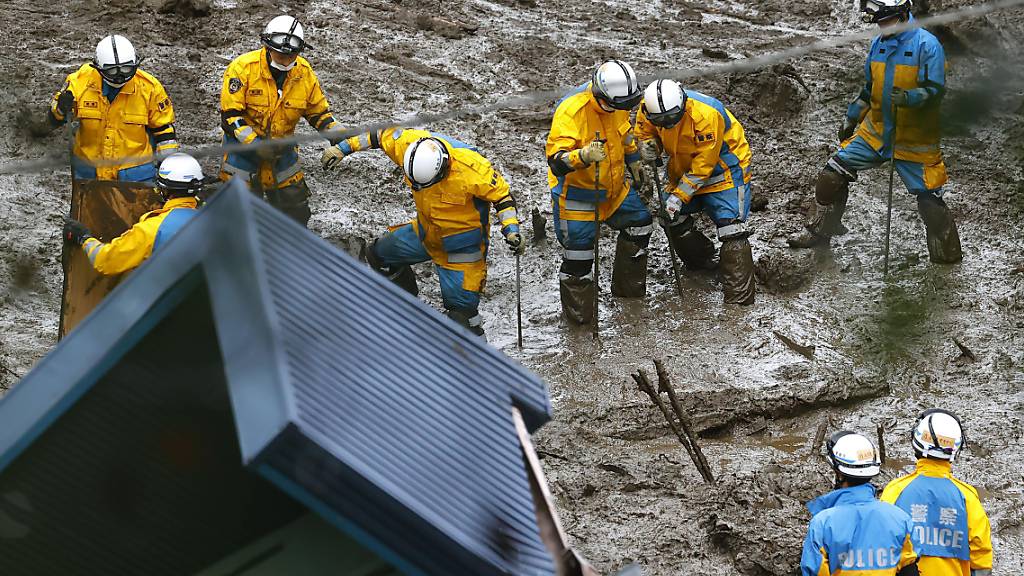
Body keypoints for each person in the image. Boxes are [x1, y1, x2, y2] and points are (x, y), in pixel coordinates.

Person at [788, 0, 961, 264]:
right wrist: (851, 117)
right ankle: (820, 231)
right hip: (876, 131)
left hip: (915, 137)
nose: (883, 27)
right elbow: (869, 89)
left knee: (930, 203)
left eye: (887, 21)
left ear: (903, 13)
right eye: (879, 22)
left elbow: (935, 90)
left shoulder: (927, 45)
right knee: (831, 175)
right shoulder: (878, 44)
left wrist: (911, 97)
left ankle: (947, 257)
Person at [322, 127, 522, 337]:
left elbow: (503, 199)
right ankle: (406, 314)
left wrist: (511, 230)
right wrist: (343, 148)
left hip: (461, 251)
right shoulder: (410, 144)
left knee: (463, 320)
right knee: (379, 256)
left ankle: (475, 362)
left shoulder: (473, 170)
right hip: (425, 233)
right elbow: (378, 136)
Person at [544, 60, 653, 324]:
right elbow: (556, 161)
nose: (623, 110)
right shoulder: (572, 111)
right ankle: (580, 319)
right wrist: (582, 156)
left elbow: (624, 134)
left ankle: (628, 294)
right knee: (579, 260)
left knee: (640, 224)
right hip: (579, 196)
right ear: (602, 96)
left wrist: (635, 160)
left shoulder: (619, 101)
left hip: (614, 190)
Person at [635, 79, 755, 305]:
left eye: (671, 120)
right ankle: (702, 262)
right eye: (662, 122)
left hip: (724, 171)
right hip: (683, 166)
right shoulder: (648, 108)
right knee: (669, 217)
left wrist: (678, 197)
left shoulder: (706, 115)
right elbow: (644, 132)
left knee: (732, 228)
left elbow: (703, 166)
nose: (668, 126)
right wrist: (648, 146)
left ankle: (739, 299)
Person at [219, 15, 341, 226]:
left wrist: (335, 131)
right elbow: (230, 117)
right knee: (238, 215)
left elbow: (317, 112)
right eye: (280, 54)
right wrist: (255, 145)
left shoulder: (304, 74)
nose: (285, 60)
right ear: (267, 46)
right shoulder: (242, 69)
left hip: (282, 155)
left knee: (296, 212)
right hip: (242, 155)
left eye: (291, 55)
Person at [48, 35, 179, 182]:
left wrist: (169, 172)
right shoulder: (79, 82)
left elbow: (164, 133)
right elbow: (55, 119)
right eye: (112, 71)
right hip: (89, 176)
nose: (120, 77)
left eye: (126, 69)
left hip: (136, 179)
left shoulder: (149, 88)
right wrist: (60, 107)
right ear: (98, 67)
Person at [880, 409, 993, 576]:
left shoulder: (895, 490)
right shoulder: (967, 497)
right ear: (956, 449)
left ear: (916, 443)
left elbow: (881, 544)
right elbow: (981, 557)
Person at [63, 153, 204, 275]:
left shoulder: (152, 229)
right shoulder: (215, 219)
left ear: (164, 190)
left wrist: (83, 238)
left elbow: (105, 261)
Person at [801, 431, 920, 575]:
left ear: (838, 473)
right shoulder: (901, 519)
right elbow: (909, 569)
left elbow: (815, 571)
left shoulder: (822, 524)